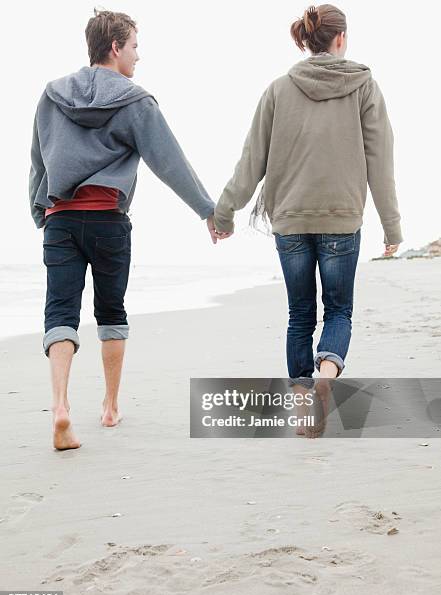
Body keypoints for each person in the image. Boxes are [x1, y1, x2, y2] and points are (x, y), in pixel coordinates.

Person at [29, 9, 221, 450]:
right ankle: (111, 406)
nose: (139, 54)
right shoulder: (136, 101)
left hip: (60, 219)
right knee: (110, 313)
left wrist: (40, 211)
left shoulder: (51, 94)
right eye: (135, 45)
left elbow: (37, 160)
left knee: (59, 312)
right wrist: (206, 210)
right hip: (108, 221)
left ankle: (60, 407)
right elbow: (168, 161)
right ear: (115, 48)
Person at [213, 4, 403, 397]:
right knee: (338, 311)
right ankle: (327, 375)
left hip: (290, 221)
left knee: (299, 315)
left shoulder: (279, 89)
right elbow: (380, 160)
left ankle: (302, 402)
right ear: (341, 38)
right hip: (342, 220)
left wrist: (225, 213)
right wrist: (392, 226)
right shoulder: (364, 86)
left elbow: (252, 160)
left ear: (308, 39)